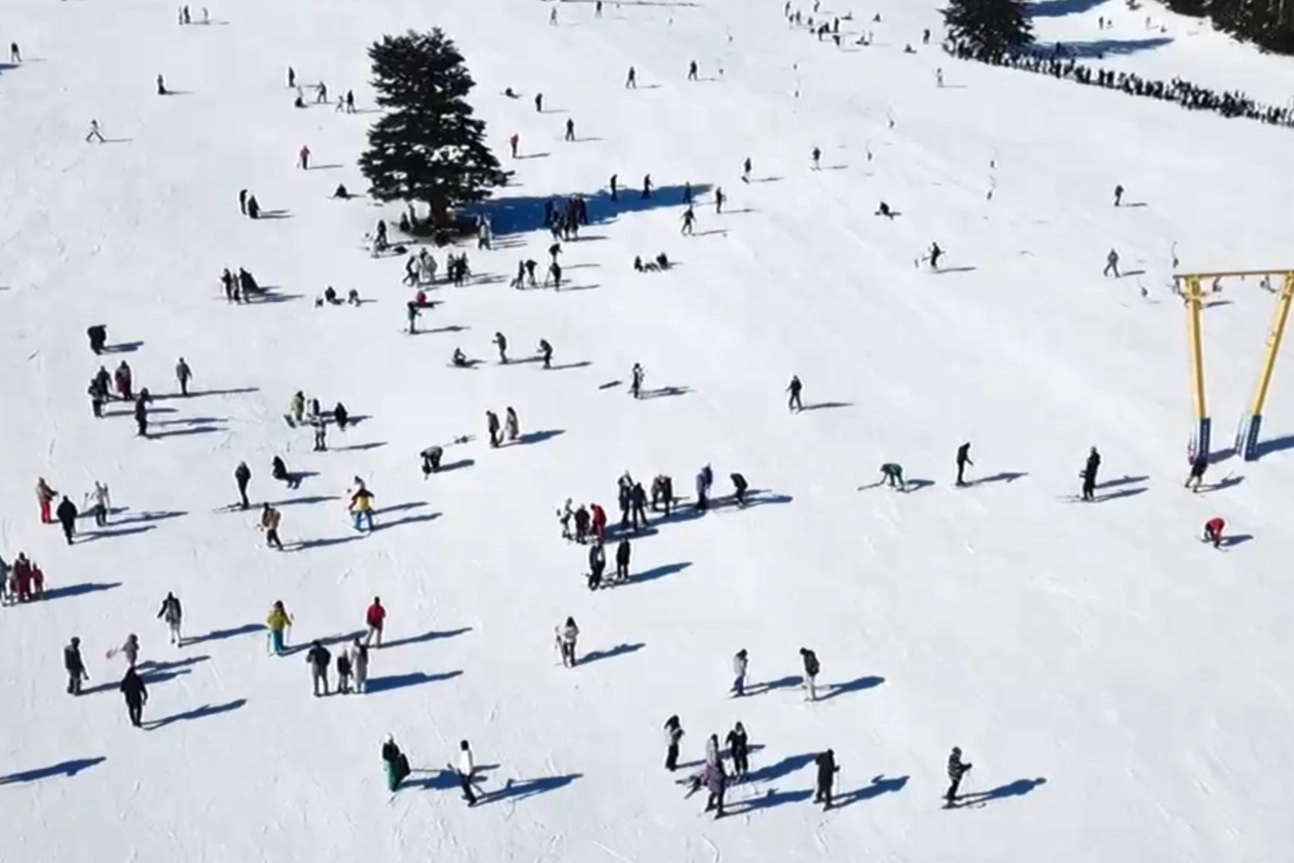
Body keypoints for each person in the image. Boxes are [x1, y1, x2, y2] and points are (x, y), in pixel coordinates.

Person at [457, 741, 479, 805]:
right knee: (464, 786)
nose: (461, 747)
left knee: (466, 787)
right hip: (463, 772)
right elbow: (463, 763)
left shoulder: (467, 754)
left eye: (462, 745)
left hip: (466, 773)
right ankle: (468, 795)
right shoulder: (464, 753)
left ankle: (472, 799)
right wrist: (460, 769)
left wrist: (469, 775)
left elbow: (468, 764)